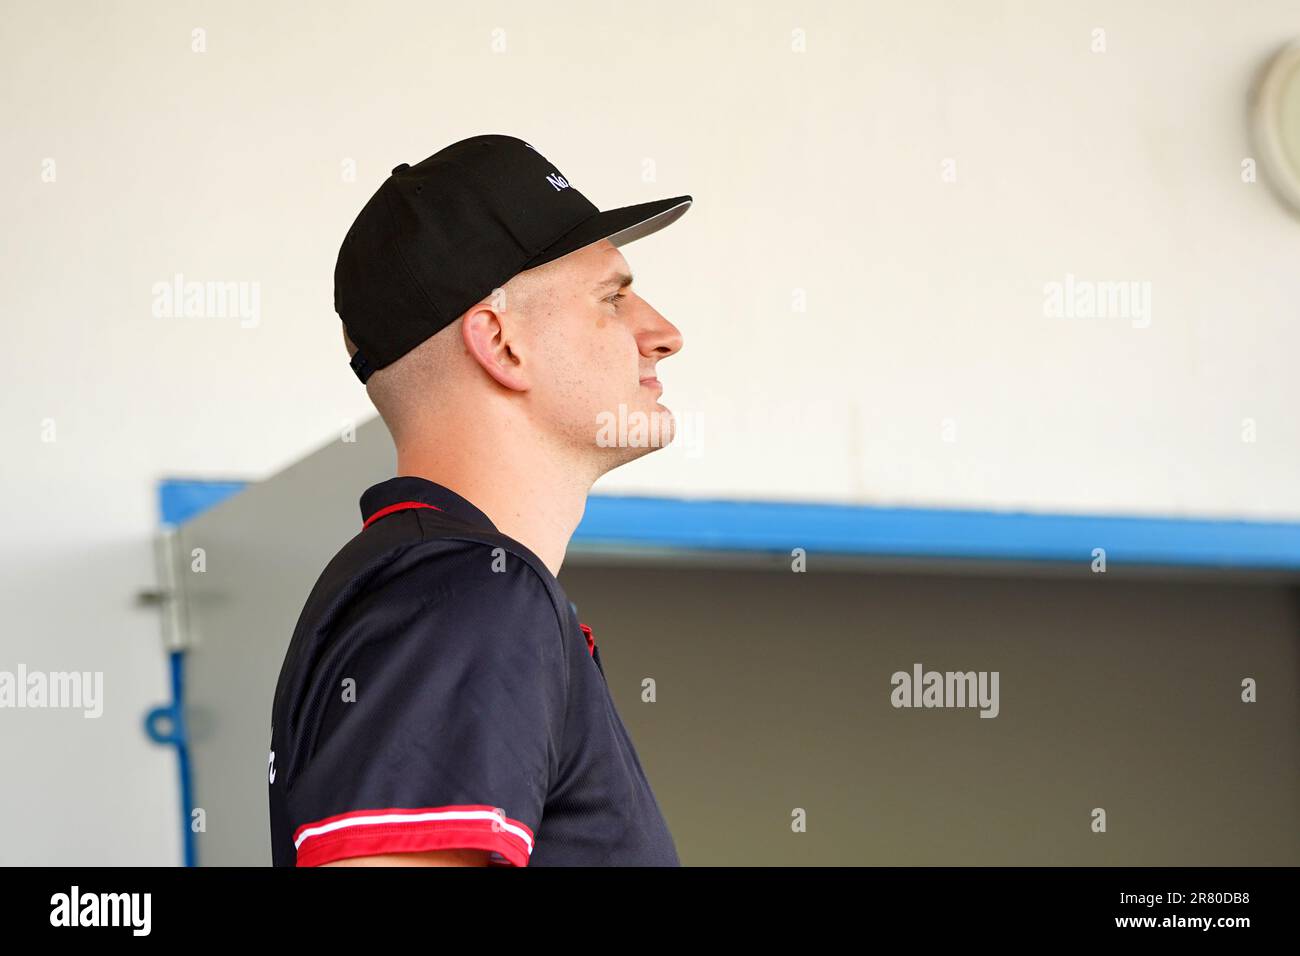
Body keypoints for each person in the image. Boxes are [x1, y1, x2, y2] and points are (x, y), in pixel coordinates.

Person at [267, 134, 692, 866]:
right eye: (613, 297)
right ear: (500, 344)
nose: (663, 334)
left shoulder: (457, 588)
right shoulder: (468, 594)